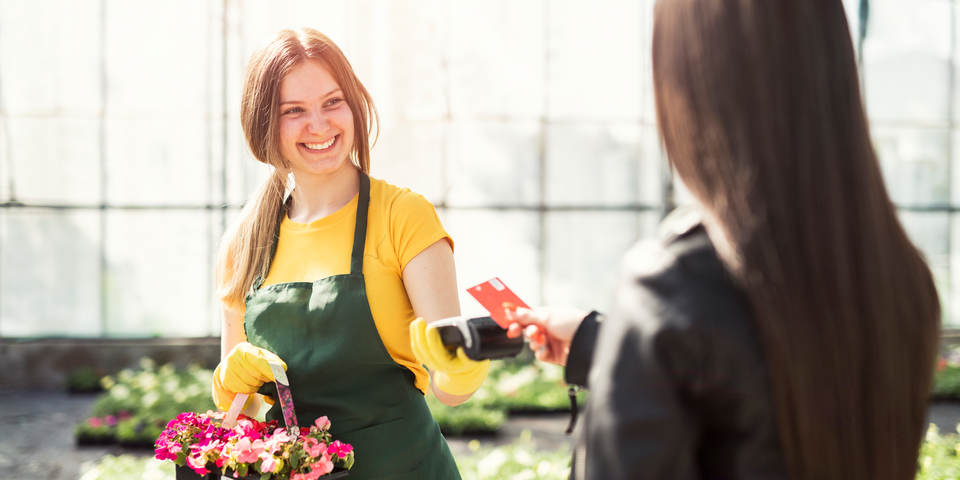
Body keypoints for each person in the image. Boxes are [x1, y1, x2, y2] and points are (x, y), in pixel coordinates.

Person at [506, 1, 942, 479]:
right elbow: (781, 372)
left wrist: (638, 342)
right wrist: (606, 345)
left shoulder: (672, 284)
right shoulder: (900, 278)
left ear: (691, 80)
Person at [209, 28, 488, 479]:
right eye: (293, 111)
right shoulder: (246, 243)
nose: (318, 125)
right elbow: (236, 418)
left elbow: (449, 388)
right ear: (263, 123)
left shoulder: (403, 216)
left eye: (332, 102)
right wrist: (227, 385)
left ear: (354, 105)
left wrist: (460, 370)